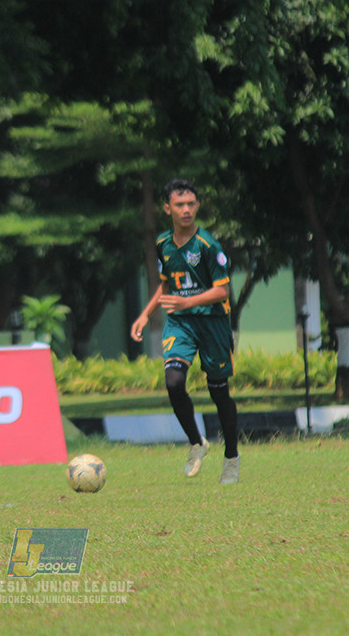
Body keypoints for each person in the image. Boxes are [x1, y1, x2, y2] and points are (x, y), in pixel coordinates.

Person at [130, 179, 240, 483]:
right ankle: (197, 442)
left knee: (220, 394)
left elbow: (223, 292)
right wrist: (144, 314)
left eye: (191, 204)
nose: (187, 209)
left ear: (198, 206)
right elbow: (166, 284)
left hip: (213, 323)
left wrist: (186, 301)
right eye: (180, 204)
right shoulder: (164, 243)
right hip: (181, 323)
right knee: (174, 381)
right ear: (168, 209)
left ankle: (231, 457)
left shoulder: (208, 245)